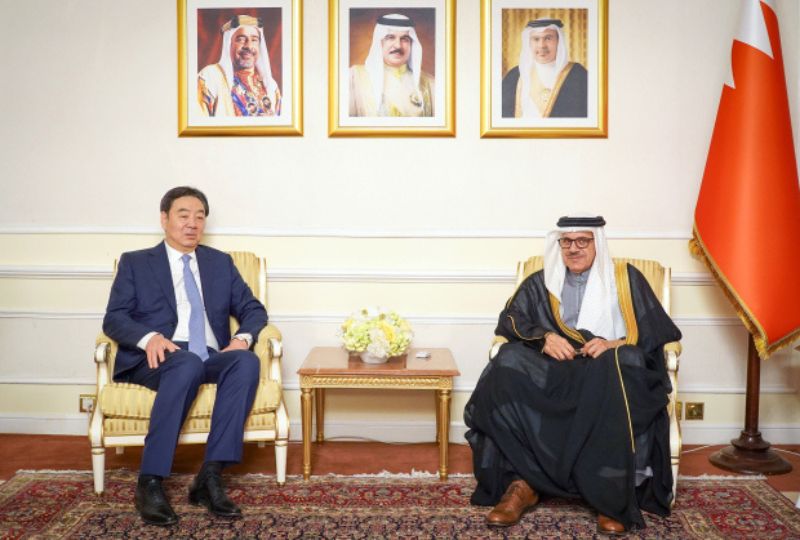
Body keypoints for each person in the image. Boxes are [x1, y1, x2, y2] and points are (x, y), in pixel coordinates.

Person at [464, 215, 681, 534]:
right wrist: (544, 338)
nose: (573, 248)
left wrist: (613, 344)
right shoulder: (540, 281)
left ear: (598, 243)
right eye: (566, 241)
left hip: (606, 367)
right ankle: (523, 483)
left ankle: (610, 494)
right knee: (508, 360)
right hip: (557, 367)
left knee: (624, 362)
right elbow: (511, 319)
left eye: (582, 241)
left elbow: (656, 329)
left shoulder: (626, 278)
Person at [103, 186, 268, 526]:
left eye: (199, 217)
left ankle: (210, 476)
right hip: (159, 358)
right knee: (187, 362)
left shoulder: (219, 263)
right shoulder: (136, 262)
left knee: (246, 361)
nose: (192, 223)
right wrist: (149, 337)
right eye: (183, 215)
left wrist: (242, 338)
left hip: (208, 355)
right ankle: (150, 481)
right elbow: (114, 318)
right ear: (164, 219)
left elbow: (253, 309)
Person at [349, 13, 435, 117]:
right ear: (379, 42)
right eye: (390, 37)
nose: (398, 45)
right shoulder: (355, 78)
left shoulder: (429, 83)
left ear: (411, 44)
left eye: (404, 39)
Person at [501, 18, 587, 118]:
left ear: (559, 41)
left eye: (548, 38)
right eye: (536, 39)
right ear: (529, 43)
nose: (542, 45)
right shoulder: (514, 76)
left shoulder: (578, 75)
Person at [198, 15, 281, 117]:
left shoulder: (271, 86)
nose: (249, 46)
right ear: (229, 44)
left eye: (254, 40)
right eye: (241, 39)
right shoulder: (210, 77)